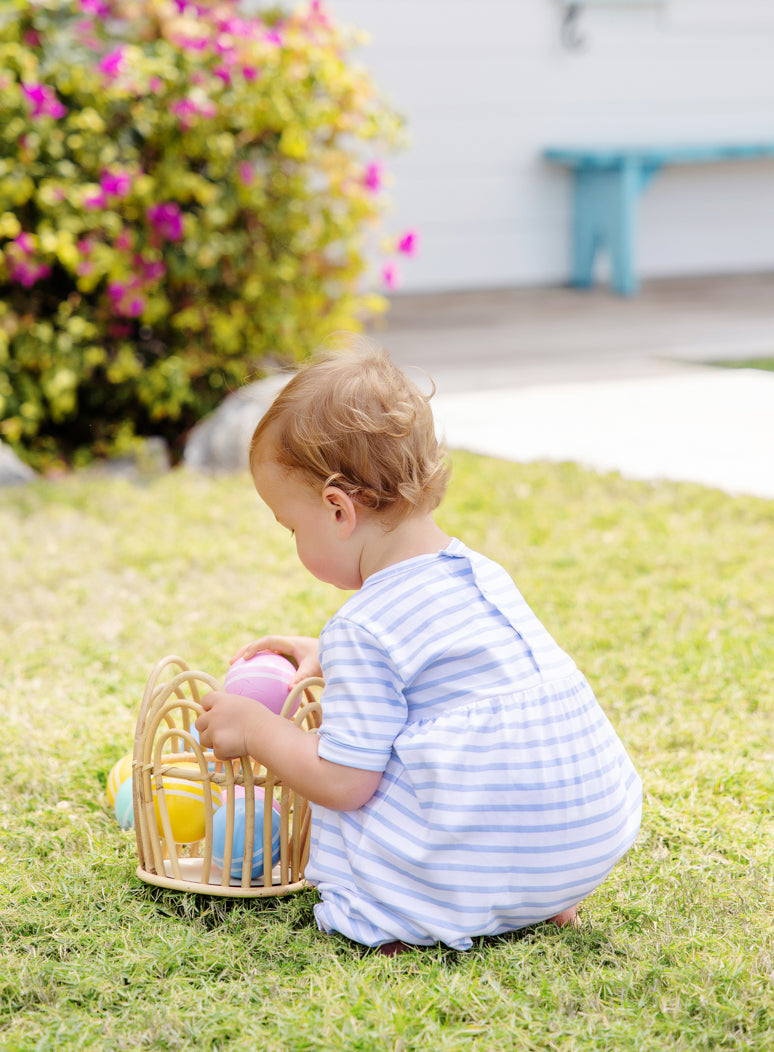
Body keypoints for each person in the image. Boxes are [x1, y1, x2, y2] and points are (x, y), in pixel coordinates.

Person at [195, 345, 642, 951]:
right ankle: (527, 894)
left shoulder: (364, 626)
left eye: (292, 528)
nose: (294, 545)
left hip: (480, 861)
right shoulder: (476, 571)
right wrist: (323, 650)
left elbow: (344, 781)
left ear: (338, 509)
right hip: (580, 840)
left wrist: (255, 729)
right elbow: (443, 663)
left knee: (361, 825)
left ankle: (413, 910)